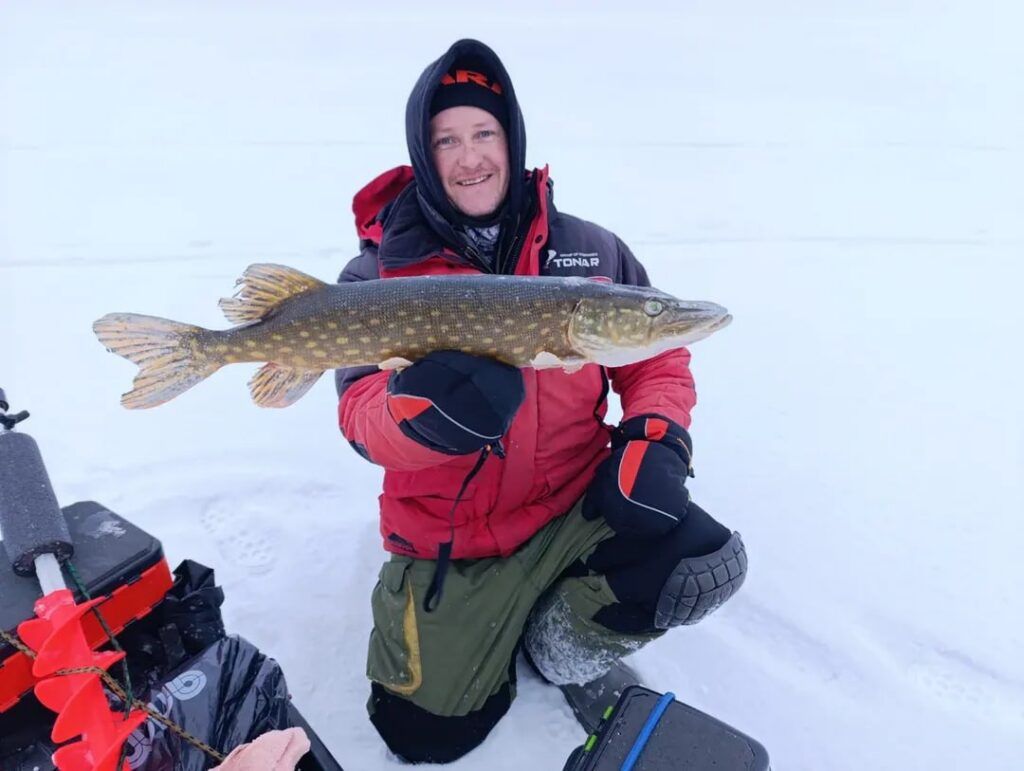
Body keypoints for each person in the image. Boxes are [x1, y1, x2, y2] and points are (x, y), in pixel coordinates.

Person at [334, 39, 747, 764]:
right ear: (424, 155)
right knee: (425, 734)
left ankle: (556, 643)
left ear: (512, 139)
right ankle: (484, 628)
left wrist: (655, 433)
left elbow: (655, 355)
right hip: (454, 540)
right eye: (447, 140)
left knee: (701, 560)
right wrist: (420, 419)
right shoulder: (376, 276)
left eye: (485, 133)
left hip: (574, 507)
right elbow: (361, 416)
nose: (470, 158)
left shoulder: (591, 253)